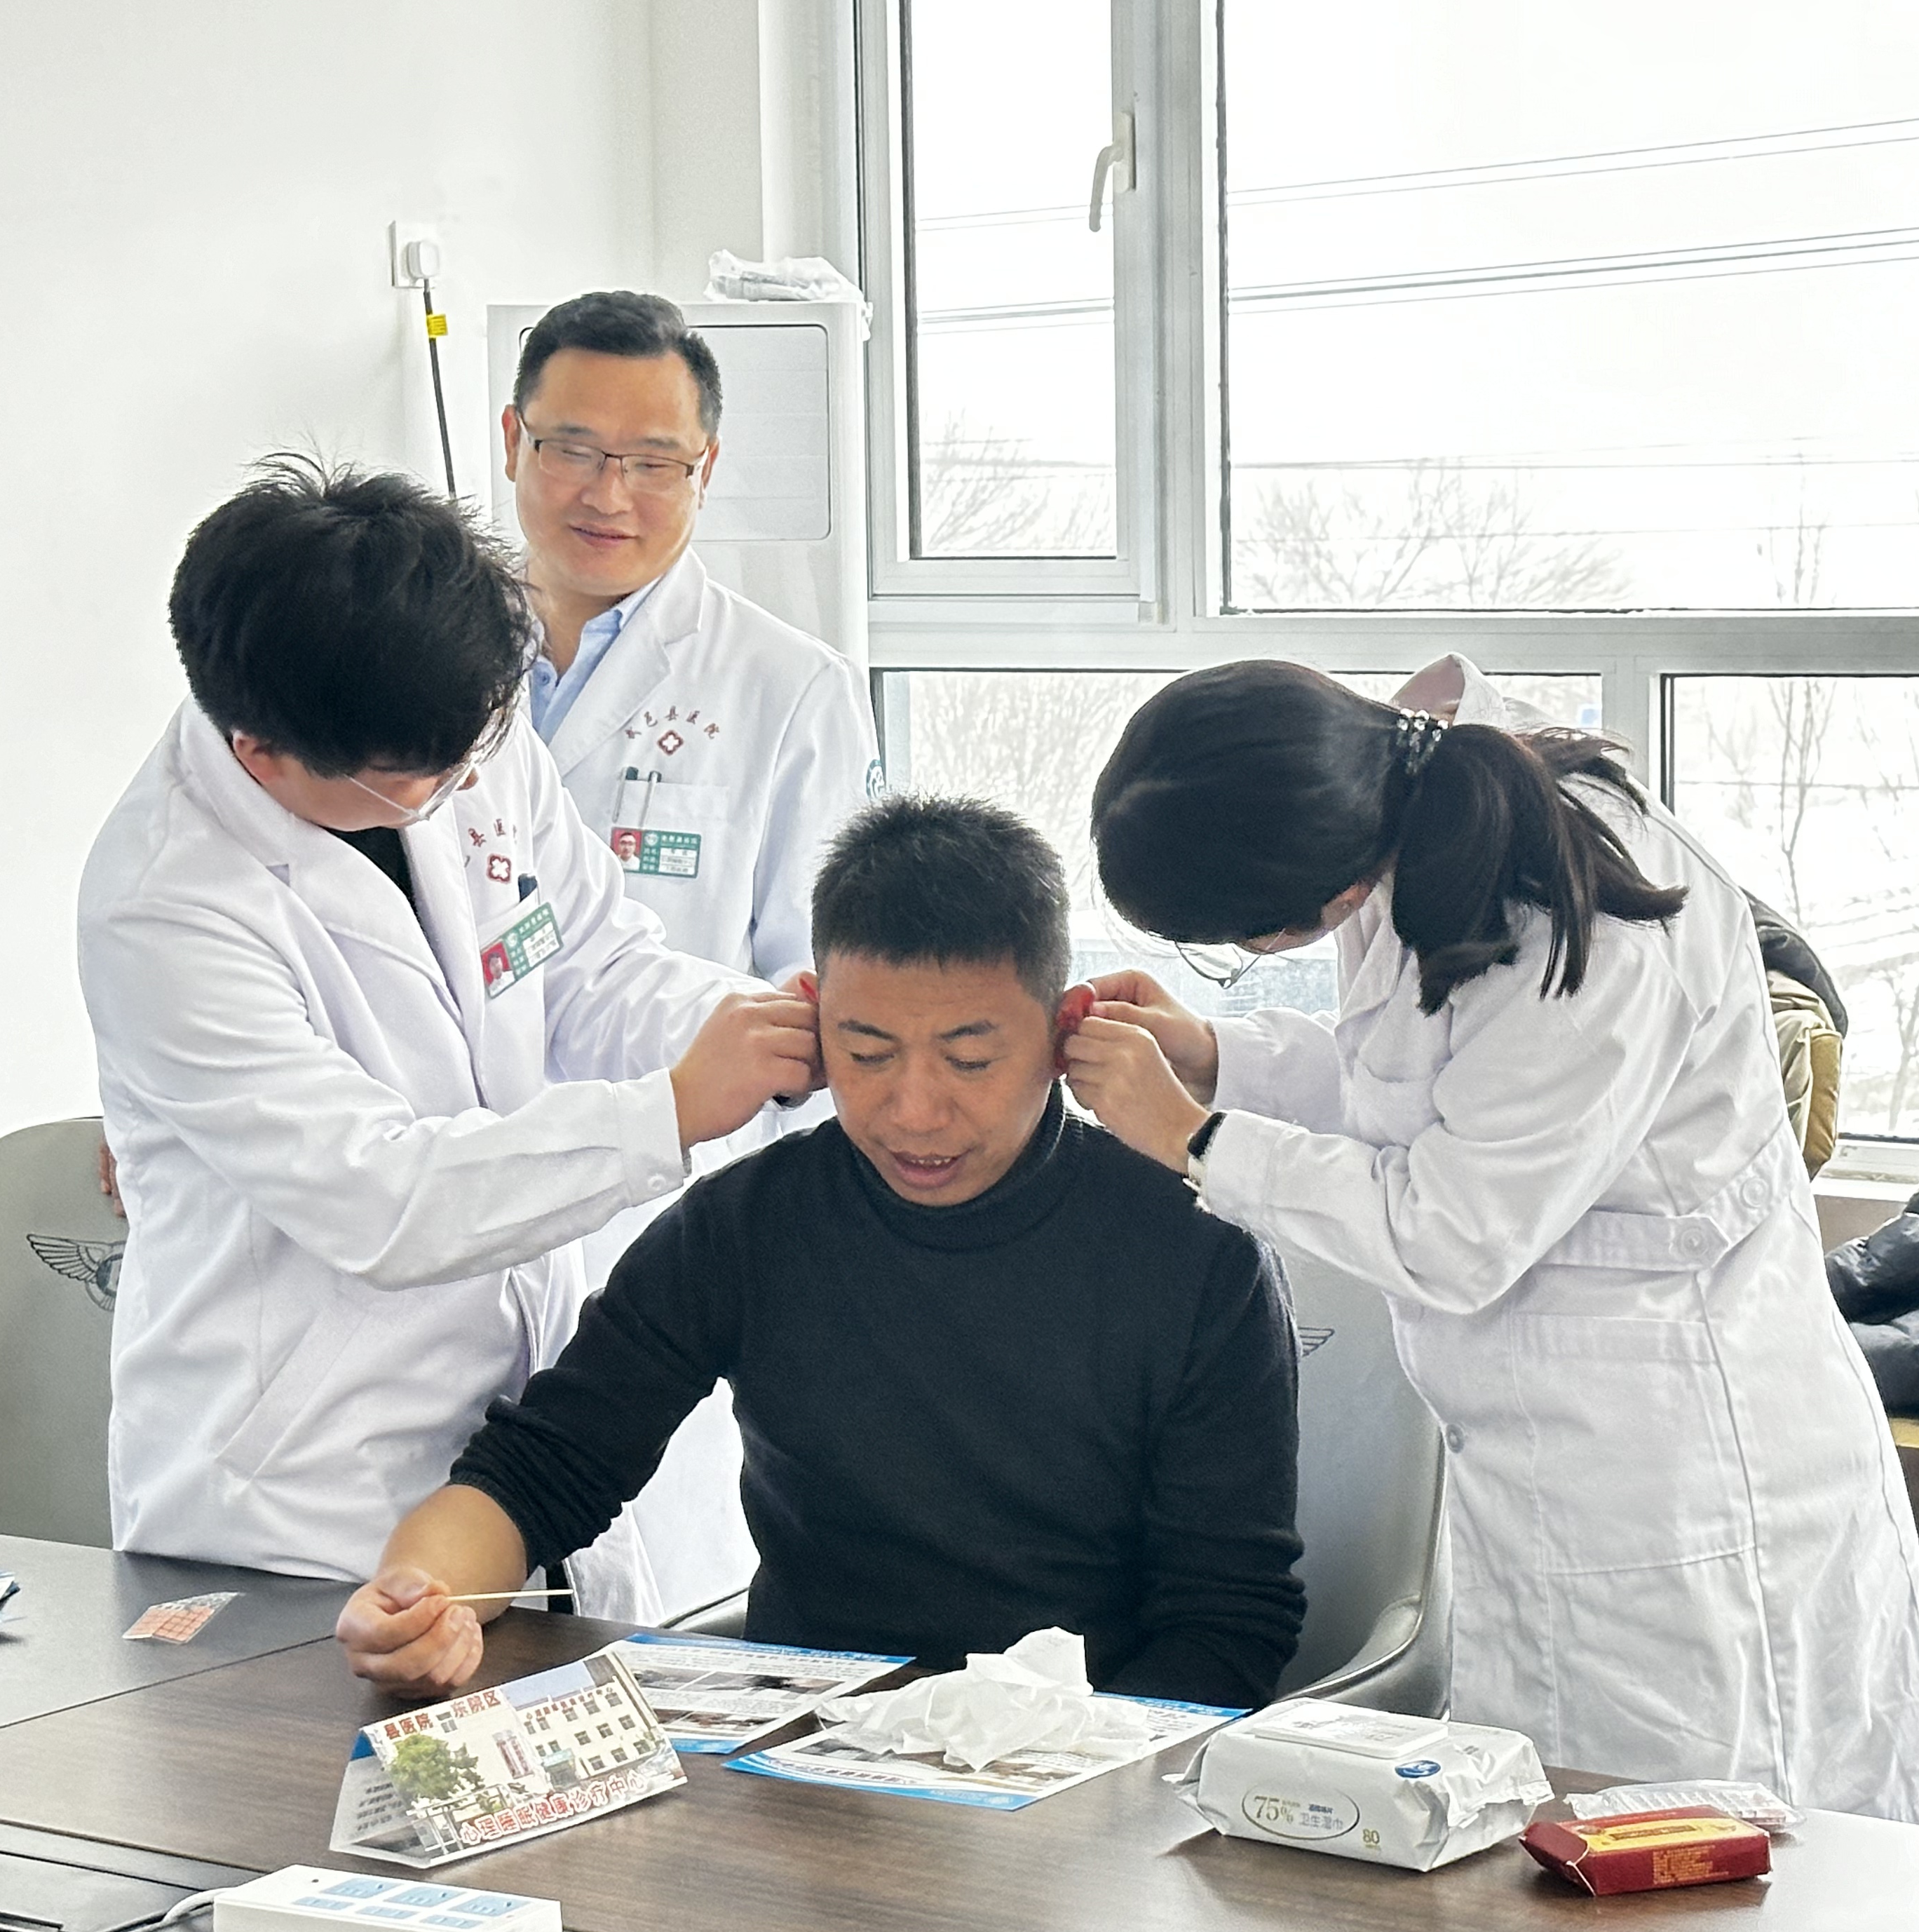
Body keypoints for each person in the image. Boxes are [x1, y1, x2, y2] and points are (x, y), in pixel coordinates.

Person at [1064, 658, 1919, 1821]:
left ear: (1317, 895)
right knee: (1573, 1851)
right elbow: (1428, 1087)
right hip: (1556, 1462)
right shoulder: (1402, 808)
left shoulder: (1578, 927)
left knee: (1709, 1855)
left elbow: (1452, 1230)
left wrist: (1194, 1140)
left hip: (1676, 1472)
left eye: (1232, 941)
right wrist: (1217, 1055)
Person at [336, 796, 1306, 1710]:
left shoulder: (1196, 1255)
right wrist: (420, 1597)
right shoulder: (749, 1225)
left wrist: (1070, 1770)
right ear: (808, 1019)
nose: (913, 1111)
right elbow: (547, 1467)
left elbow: (1226, 1623)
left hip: (1084, 1757)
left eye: (970, 1059)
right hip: (803, 1747)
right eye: (867, 1053)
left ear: (1065, 1034)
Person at [79, 457, 819, 1580]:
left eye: (481, 746)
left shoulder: (460, 729)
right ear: (260, 753)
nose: (472, 785)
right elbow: (383, 1196)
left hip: (531, 1448)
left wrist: (761, 1028)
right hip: (306, 1496)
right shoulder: (165, 905)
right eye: (422, 779)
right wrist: (669, 1113)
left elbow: (595, 966)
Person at [499, 289, 879, 1623]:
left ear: (705, 469)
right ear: (512, 441)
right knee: (458, 1615)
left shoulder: (788, 687)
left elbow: (820, 1014)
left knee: (655, 1629)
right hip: (450, 1199)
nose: (611, 493)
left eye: (655, 460)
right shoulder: (425, 659)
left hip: (666, 1223)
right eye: (574, 448)